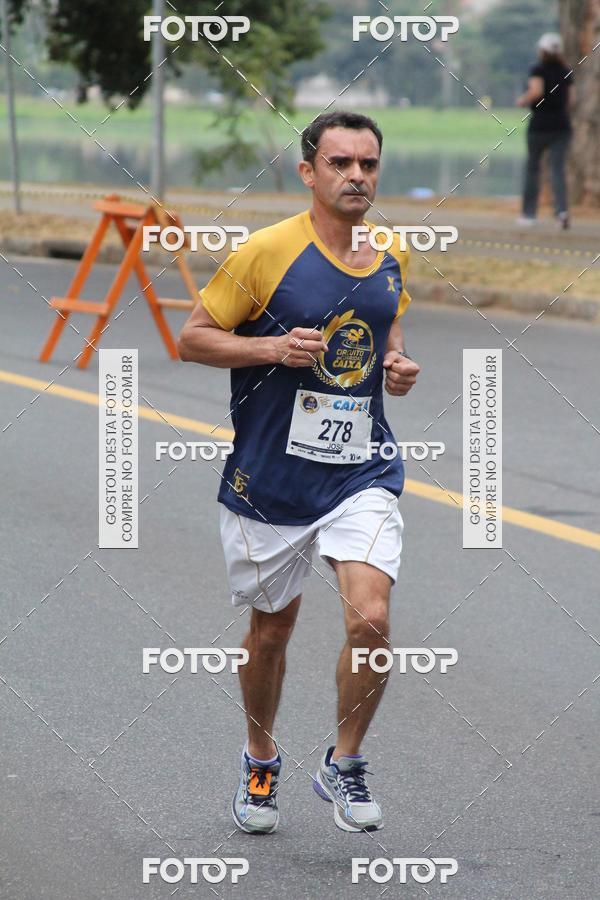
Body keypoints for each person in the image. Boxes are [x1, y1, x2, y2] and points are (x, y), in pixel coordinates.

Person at [177, 111, 420, 834]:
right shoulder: (265, 253)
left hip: (360, 469)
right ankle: (259, 756)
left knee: (371, 618)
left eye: (368, 165)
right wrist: (272, 348)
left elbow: (387, 324)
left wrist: (397, 365)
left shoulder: (388, 250)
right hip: (271, 478)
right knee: (272, 632)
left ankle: (344, 762)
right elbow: (194, 338)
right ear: (308, 171)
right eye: (341, 163)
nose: (357, 178)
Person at [517, 32, 575, 229]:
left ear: (542, 50)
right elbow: (571, 101)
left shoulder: (537, 69)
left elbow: (536, 91)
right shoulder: (566, 71)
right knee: (557, 170)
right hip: (561, 126)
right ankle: (561, 212)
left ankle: (528, 214)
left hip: (540, 126)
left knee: (533, 169)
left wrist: (522, 100)